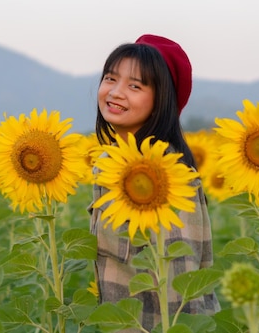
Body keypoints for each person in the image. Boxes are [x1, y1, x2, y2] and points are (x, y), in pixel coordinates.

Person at [89, 34, 220, 332]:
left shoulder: (167, 175)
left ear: (162, 100)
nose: (116, 92)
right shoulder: (109, 164)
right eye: (111, 79)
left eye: (135, 86)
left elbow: (178, 280)